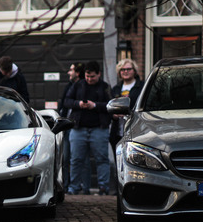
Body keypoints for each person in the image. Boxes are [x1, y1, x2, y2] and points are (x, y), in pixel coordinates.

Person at [64, 61, 112, 196]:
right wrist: (78, 104)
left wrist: (95, 106)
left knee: (101, 159)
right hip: (79, 128)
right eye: (87, 76)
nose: (90, 79)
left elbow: (111, 104)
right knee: (76, 159)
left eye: (92, 77)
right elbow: (66, 101)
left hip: (99, 128)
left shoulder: (105, 87)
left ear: (99, 74)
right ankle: (74, 188)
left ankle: (103, 188)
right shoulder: (78, 85)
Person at [59, 62, 84, 191]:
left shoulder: (83, 87)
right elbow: (64, 103)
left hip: (77, 126)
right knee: (65, 157)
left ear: (78, 72)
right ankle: (66, 185)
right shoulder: (69, 86)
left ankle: (82, 186)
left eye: (71, 70)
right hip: (66, 126)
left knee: (78, 158)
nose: (69, 72)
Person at [109, 58, 143, 152]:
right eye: (122, 70)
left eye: (129, 69)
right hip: (118, 131)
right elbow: (109, 107)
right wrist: (114, 115)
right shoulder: (116, 88)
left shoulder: (142, 86)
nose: (125, 71)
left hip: (136, 129)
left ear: (134, 71)